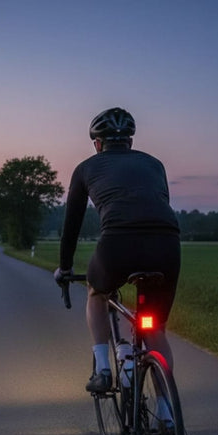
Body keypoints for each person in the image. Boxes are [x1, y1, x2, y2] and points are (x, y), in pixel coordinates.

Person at [54, 107, 180, 393]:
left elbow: (71, 225)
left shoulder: (85, 168)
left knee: (96, 293)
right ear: (130, 142)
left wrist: (65, 267)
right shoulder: (155, 164)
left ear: (98, 144)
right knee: (155, 328)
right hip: (166, 242)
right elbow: (160, 203)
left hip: (118, 242)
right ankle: (166, 410)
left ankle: (102, 369)